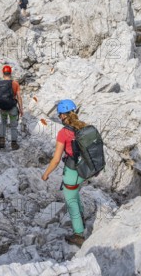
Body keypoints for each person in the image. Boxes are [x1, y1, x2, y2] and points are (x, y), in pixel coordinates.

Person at [41, 99, 86, 247]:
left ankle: (78, 234)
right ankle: (82, 219)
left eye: (60, 115)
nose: (59, 117)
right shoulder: (84, 127)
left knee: (71, 202)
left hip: (72, 172)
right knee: (75, 195)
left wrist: (46, 174)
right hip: (83, 170)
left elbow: (55, 160)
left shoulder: (63, 133)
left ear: (62, 116)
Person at [0, 65, 23, 150]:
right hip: (12, 108)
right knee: (13, 126)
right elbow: (19, 97)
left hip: (2, 108)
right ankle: (14, 144)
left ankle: (1, 142)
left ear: (3, 73)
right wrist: (21, 109)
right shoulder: (15, 83)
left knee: (3, 123)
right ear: (10, 73)